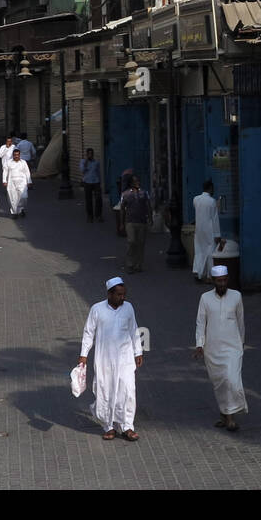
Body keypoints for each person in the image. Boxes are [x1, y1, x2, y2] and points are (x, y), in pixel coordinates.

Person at [79, 276, 144, 441]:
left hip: (125, 359)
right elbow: (89, 332)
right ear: (109, 294)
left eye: (124, 294)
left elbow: (134, 330)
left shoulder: (128, 308)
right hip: (104, 359)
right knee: (105, 391)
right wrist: (83, 355)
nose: (122, 298)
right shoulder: (97, 309)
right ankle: (108, 426)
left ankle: (127, 426)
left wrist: (138, 352)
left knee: (128, 391)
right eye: (119, 295)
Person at [194, 265, 246, 431]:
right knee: (220, 383)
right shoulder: (205, 298)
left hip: (233, 347)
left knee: (232, 379)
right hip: (212, 349)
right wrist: (199, 344)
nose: (222, 284)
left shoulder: (236, 296)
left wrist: (242, 344)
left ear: (227, 279)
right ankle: (225, 415)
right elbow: (201, 322)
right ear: (213, 281)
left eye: (224, 280)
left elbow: (241, 322)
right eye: (219, 281)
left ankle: (230, 418)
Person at [121, 175, 152, 273]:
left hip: (142, 221)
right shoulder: (125, 194)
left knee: (141, 243)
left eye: (138, 181)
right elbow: (122, 208)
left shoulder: (144, 193)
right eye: (135, 181)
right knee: (131, 241)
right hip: (130, 221)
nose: (137, 183)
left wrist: (150, 218)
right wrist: (122, 223)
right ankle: (130, 264)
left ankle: (139, 264)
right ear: (131, 183)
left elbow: (148, 206)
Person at [192, 180, 221, 282]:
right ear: (210, 188)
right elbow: (215, 218)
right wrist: (217, 234)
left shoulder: (196, 199)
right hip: (209, 230)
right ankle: (209, 275)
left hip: (199, 229)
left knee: (199, 250)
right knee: (210, 251)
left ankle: (198, 271)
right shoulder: (212, 201)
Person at [3, 147, 31, 218]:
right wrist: (4, 180)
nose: (16, 156)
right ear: (13, 155)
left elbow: (27, 172)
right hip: (11, 182)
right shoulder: (8, 162)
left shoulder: (23, 162)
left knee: (24, 197)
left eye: (17, 155)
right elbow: (5, 171)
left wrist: (29, 181)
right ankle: (14, 212)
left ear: (19, 155)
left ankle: (20, 209)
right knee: (12, 198)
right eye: (15, 155)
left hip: (22, 182)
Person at [80, 148, 103, 224]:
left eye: (91, 153)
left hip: (96, 182)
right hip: (87, 182)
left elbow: (98, 172)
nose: (90, 155)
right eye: (89, 153)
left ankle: (98, 215)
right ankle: (90, 216)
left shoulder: (96, 162)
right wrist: (86, 161)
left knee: (98, 198)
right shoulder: (83, 161)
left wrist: (100, 182)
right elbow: (82, 170)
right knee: (88, 200)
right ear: (87, 154)